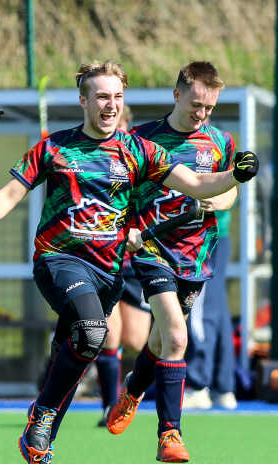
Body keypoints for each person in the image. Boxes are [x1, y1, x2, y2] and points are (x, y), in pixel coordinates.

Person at [0, 61, 257, 464]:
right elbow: (9, 195)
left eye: (116, 97)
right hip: (59, 259)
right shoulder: (54, 148)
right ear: (84, 101)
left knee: (73, 350)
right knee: (94, 332)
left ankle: (39, 445)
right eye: (101, 97)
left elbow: (197, 184)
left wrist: (235, 174)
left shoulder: (139, 151)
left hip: (109, 270)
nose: (110, 105)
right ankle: (43, 418)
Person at [105, 61, 242, 462]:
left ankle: (132, 390)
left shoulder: (219, 141)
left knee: (161, 340)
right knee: (178, 338)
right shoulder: (142, 138)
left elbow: (230, 187)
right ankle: (170, 434)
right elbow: (120, 191)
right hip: (151, 249)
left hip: (196, 253)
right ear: (177, 94)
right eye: (196, 104)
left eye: (210, 108)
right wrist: (126, 227)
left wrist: (222, 197)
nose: (202, 114)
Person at [90, 104, 153, 426]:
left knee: (137, 340)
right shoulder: (95, 161)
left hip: (135, 264)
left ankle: (130, 390)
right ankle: (108, 405)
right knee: (108, 335)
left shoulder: (140, 160)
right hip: (105, 262)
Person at [182, 201, 238, 410]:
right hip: (211, 234)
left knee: (201, 308)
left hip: (204, 235)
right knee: (216, 308)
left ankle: (198, 386)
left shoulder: (218, 166)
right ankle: (223, 387)